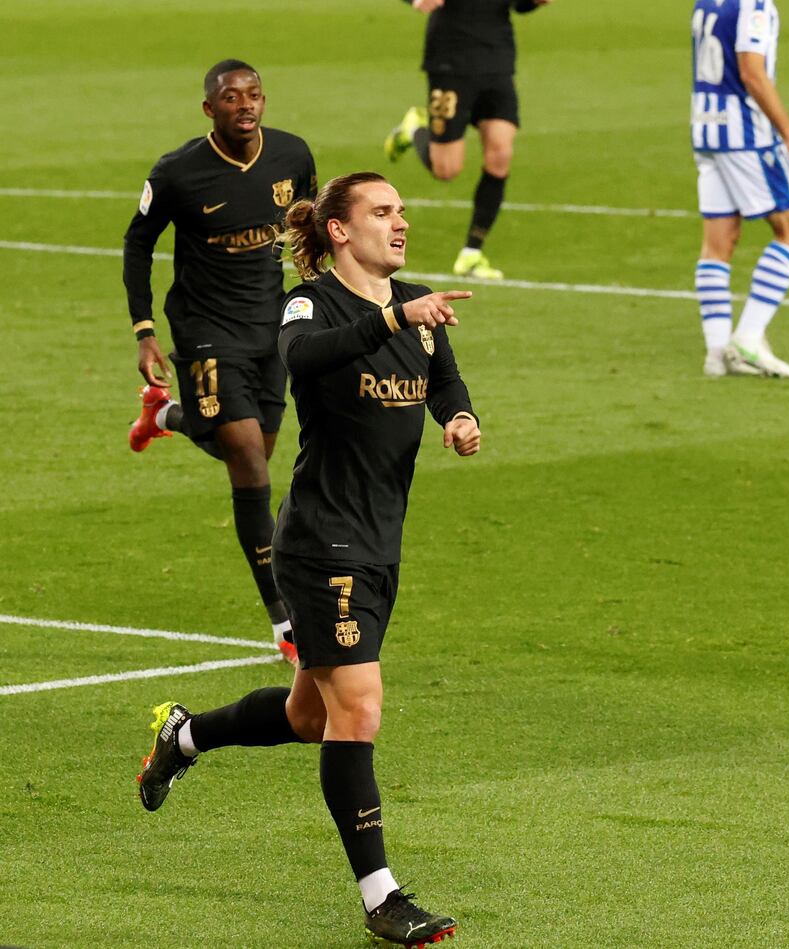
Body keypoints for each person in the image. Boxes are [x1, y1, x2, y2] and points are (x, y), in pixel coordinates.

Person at [136, 171, 481, 947]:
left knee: (308, 715)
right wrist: (393, 314)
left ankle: (182, 738)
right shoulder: (310, 303)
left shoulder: (421, 308)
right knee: (358, 709)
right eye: (383, 211)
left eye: (402, 210)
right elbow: (305, 359)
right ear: (338, 230)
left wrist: (459, 418)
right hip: (320, 541)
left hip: (379, 540)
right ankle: (381, 896)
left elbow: (445, 383)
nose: (401, 221)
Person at [123, 60, 317, 662]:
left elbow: (311, 229)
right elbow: (138, 242)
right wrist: (145, 330)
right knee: (252, 466)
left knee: (251, 446)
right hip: (206, 330)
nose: (246, 105)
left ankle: (166, 416)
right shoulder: (179, 172)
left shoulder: (292, 156)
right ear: (210, 109)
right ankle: (283, 619)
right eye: (231, 98)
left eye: (254, 95)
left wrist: (320, 298)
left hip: (271, 325)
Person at [384, 0, 554, 280]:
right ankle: (414, 128)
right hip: (450, 62)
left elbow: (520, 5)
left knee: (500, 154)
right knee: (446, 170)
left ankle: (471, 253)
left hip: (497, 60)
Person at [691, 0, 789, 378]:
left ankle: (717, 355)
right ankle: (749, 339)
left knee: (719, 242)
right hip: (744, 135)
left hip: (705, 128)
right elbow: (752, 72)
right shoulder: (753, 3)